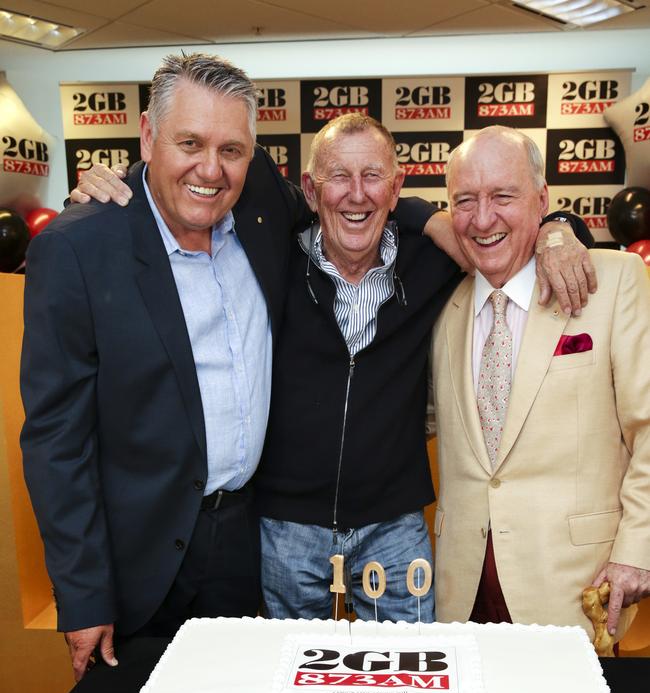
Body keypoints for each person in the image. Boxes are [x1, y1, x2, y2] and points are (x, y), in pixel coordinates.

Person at [71, 113, 594, 626]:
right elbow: (181, 183)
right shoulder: (267, 256)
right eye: (339, 177)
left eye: (372, 177)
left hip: (395, 525)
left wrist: (558, 230)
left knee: (404, 676)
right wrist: (117, 186)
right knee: (297, 679)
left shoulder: (435, 260)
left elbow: (513, 229)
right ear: (311, 188)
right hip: (285, 525)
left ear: (396, 188)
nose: (357, 194)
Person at [20, 53, 310, 681]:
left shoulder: (263, 204)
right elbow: (56, 441)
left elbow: (363, 207)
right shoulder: (76, 249)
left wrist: (557, 223)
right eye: (189, 143)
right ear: (148, 137)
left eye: (232, 149)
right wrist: (84, 592)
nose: (211, 169)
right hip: (134, 562)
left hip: (241, 540)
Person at [430, 125, 650, 640]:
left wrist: (638, 550)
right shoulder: (441, 305)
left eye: (503, 196)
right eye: (465, 200)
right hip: (461, 595)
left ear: (543, 199)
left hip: (578, 592)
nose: (483, 219)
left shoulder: (612, 282)